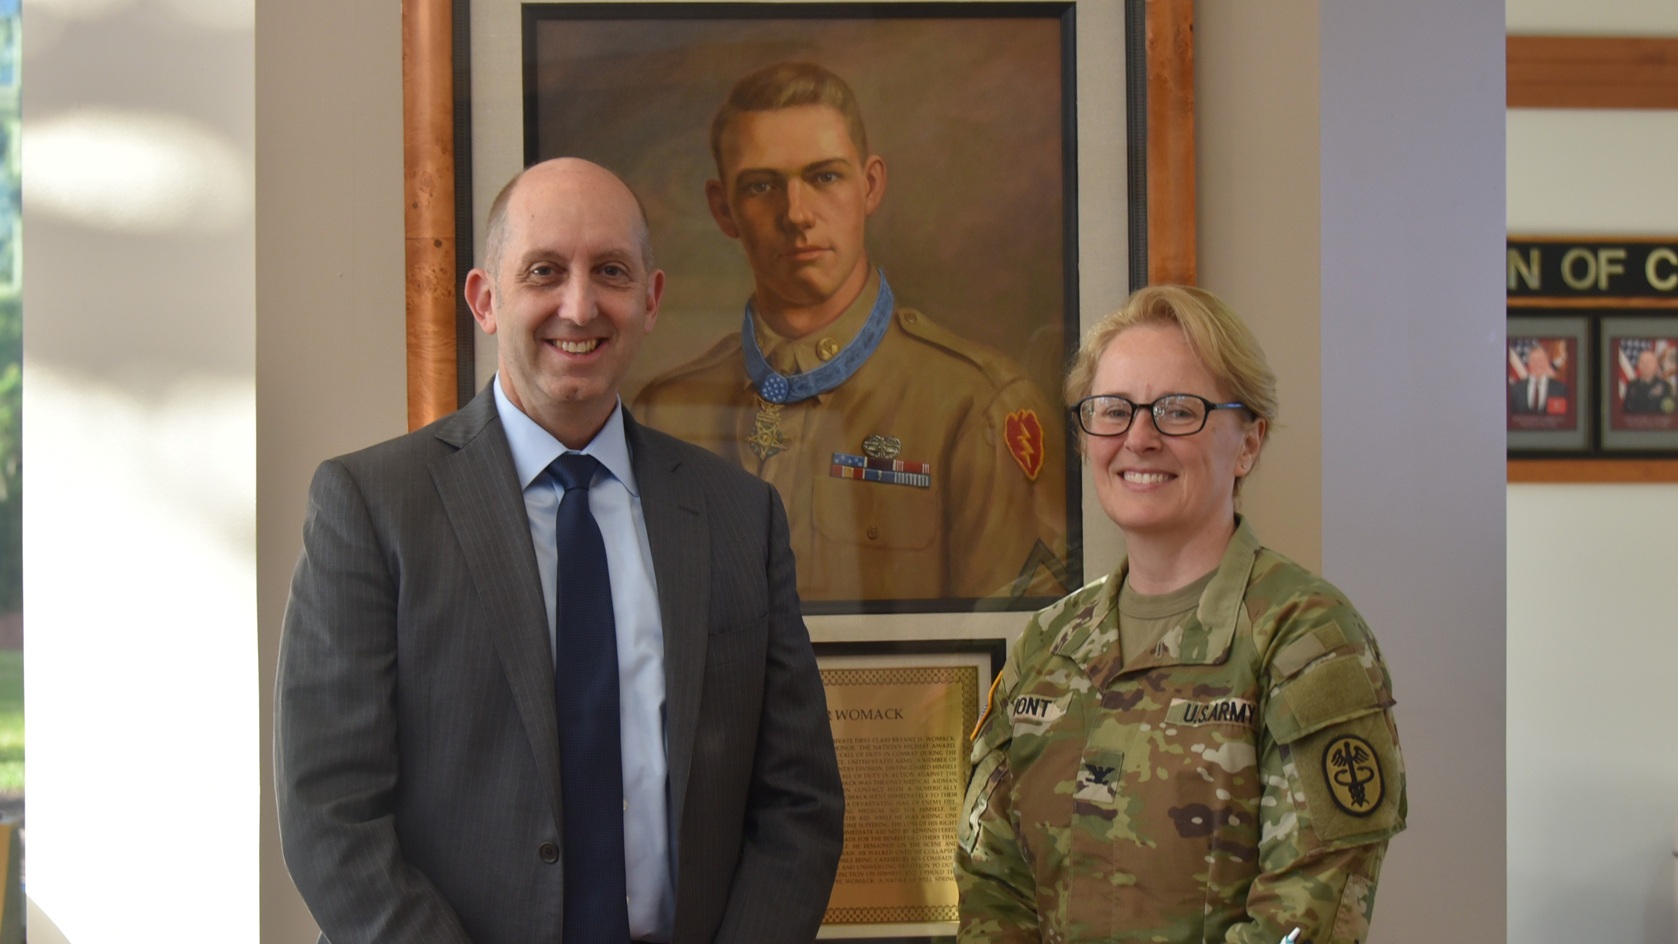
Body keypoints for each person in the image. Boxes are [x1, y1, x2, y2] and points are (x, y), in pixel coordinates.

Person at [274, 158, 844, 944]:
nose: (580, 306)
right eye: (544, 271)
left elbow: (799, 805)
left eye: (610, 271)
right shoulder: (372, 508)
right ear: (485, 299)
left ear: (650, 299)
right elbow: (330, 815)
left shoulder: (739, 516)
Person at [956, 285, 1406, 943]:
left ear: (1248, 443)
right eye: (1113, 411)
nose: (1139, 438)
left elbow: (1306, 920)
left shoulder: (1306, 639)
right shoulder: (1048, 643)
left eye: (1177, 411)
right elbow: (990, 883)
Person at [633, 61, 1067, 606]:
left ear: (871, 186)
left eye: (824, 177)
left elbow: (1021, 645)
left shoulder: (977, 406)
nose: (796, 214)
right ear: (724, 210)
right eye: (762, 186)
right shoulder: (664, 414)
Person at [1509, 343, 1568, 415]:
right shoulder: (1515, 389)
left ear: (1547, 362)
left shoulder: (1560, 389)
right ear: (1529, 363)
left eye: (1540, 360)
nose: (1537, 364)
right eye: (1534, 360)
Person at [1624, 347, 1672, 414]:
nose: (1645, 365)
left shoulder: (1665, 386)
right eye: (1642, 362)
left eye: (1649, 362)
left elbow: (1669, 412)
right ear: (1638, 365)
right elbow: (1625, 411)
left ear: (1656, 365)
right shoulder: (1631, 385)